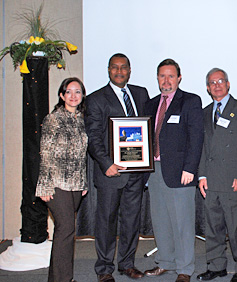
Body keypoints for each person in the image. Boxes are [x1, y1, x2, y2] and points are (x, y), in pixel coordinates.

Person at [85, 53, 150, 282]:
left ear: (130, 70)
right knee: (106, 222)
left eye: (123, 67)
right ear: (108, 70)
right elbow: (93, 137)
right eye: (115, 67)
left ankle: (127, 264)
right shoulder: (95, 99)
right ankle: (104, 269)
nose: (119, 71)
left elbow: (147, 130)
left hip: (136, 172)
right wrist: (106, 163)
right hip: (111, 174)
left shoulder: (141, 94)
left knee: (132, 220)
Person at [143, 59, 204, 282]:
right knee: (160, 220)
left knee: (182, 223)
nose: (166, 80)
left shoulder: (190, 101)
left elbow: (197, 137)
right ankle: (165, 262)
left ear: (179, 78)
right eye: (162, 76)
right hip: (153, 170)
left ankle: (185, 268)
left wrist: (190, 168)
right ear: (157, 78)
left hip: (181, 172)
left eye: (170, 76)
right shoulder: (150, 104)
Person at [197, 68, 237, 282]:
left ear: (228, 84)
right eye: (212, 82)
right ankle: (216, 265)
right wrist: (201, 176)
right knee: (213, 227)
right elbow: (201, 147)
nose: (217, 85)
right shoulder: (204, 113)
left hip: (234, 181)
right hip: (211, 181)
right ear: (207, 88)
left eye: (221, 81)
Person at [35, 77, 88, 282]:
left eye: (78, 92)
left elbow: (81, 154)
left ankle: (57, 277)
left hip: (76, 185)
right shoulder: (53, 119)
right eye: (69, 91)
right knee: (66, 229)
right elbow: (46, 153)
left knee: (65, 231)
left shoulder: (81, 119)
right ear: (61, 95)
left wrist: (83, 182)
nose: (73, 96)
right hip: (56, 183)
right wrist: (45, 185)